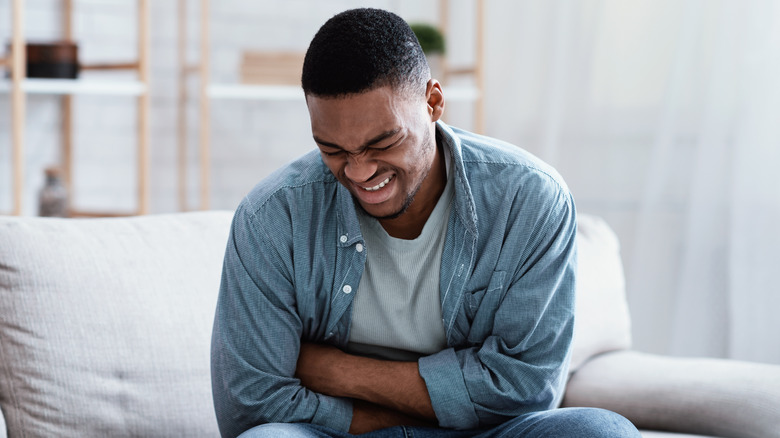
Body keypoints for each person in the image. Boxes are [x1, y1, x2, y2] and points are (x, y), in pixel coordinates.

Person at [211, 7, 640, 438]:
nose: (359, 172)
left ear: (433, 102)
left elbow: (528, 389)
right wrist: (410, 417)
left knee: (600, 431)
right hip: (344, 435)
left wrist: (340, 372)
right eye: (334, 150)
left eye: (384, 142)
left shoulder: (528, 198)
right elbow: (250, 406)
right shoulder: (271, 217)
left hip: (485, 435)